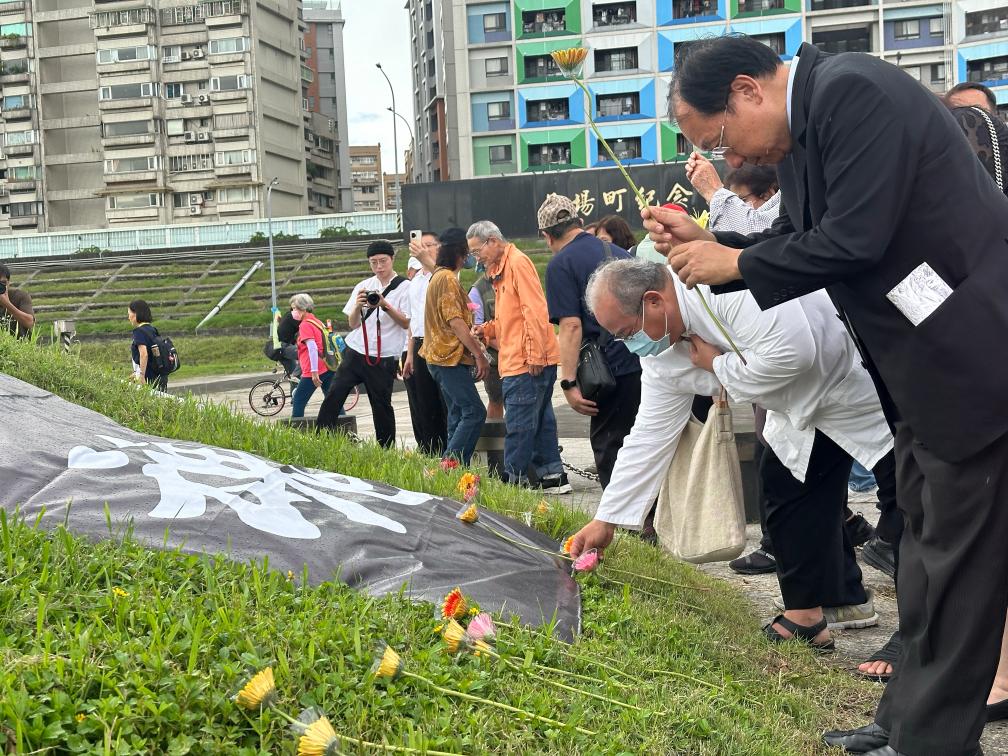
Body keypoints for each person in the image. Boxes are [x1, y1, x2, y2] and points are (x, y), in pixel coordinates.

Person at [646, 35, 1008, 756]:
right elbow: (799, 233)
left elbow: (855, 240)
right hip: (916, 370)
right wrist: (711, 237)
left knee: (960, 565)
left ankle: (932, 741)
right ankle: (904, 722)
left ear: (748, 90)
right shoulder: (808, 126)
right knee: (924, 551)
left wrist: (734, 259)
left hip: (971, 361)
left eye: (718, 139)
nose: (732, 160)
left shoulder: (852, 94)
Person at [567, 258, 890, 649]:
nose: (630, 343)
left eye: (628, 332)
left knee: (906, 497)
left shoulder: (718, 288)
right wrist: (607, 520)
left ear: (654, 301)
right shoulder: (659, 352)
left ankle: (926, 630)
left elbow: (796, 353)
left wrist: (719, 366)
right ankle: (809, 615)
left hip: (845, 383)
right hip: (793, 409)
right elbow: (650, 434)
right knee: (785, 496)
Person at [541, 193, 642, 489]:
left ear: (546, 236)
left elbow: (571, 326)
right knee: (641, 443)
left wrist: (568, 383)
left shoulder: (561, 264)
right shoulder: (621, 254)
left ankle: (630, 526)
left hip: (608, 371)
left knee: (610, 445)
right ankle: (652, 517)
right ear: (580, 223)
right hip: (643, 360)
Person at [468, 220, 569, 493]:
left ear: (492, 241)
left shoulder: (517, 263)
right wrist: (486, 330)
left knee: (520, 426)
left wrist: (535, 354)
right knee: (541, 421)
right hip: (521, 357)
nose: (477, 259)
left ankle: (513, 482)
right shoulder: (500, 269)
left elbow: (534, 311)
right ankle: (553, 477)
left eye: (478, 252)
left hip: (525, 361)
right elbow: (507, 320)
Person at [317, 240, 410, 448]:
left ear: (392, 259)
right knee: (335, 393)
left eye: (383, 261)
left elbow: (405, 322)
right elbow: (353, 324)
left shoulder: (405, 287)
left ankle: (386, 449)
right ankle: (319, 439)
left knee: (381, 404)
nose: (379, 267)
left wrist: (384, 305)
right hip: (356, 351)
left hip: (384, 356)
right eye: (374, 262)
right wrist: (358, 306)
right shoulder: (364, 286)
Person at [421, 228, 489, 465]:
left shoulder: (438, 276)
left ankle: (456, 470)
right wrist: (479, 355)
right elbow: (457, 324)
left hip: (439, 358)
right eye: (468, 252)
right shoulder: (447, 279)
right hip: (448, 359)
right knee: (475, 412)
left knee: (458, 413)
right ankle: (450, 465)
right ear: (460, 253)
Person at [402, 231, 449, 456]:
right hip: (420, 344)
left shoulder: (443, 275)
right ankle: (433, 452)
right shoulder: (415, 282)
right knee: (425, 403)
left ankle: (451, 452)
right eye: (421, 246)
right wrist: (410, 355)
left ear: (439, 248)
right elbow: (412, 320)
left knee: (445, 400)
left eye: (430, 245)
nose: (425, 249)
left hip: (440, 341)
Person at [287, 293, 335, 419]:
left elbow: (312, 348)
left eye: (294, 309)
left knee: (298, 400)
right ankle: (346, 429)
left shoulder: (305, 324)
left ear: (302, 309)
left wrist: (314, 372)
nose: (293, 312)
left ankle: (296, 431)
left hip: (313, 370)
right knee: (333, 401)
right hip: (327, 366)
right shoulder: (317, 321)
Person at [468, 272, 505, 421]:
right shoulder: (478, 289)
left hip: (517, 357)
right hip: (494, 361)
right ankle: (494, 441)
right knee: (496, 400)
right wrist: (504, 347)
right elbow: (475, 329)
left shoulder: (513, 279)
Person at [127, 299, 167, 391]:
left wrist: (141, 375)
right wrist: (135, 373)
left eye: (129, 313)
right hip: (159, 376)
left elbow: (144, 354)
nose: (128, 317)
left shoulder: (139, 331)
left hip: (148, 378)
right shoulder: (152, 329)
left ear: (136, 313)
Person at [0, 263, 34, 339]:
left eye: (3, 283)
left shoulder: (20, 296)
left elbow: (29, 322)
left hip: (21, 345)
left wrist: (7, 304)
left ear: (8, 283)